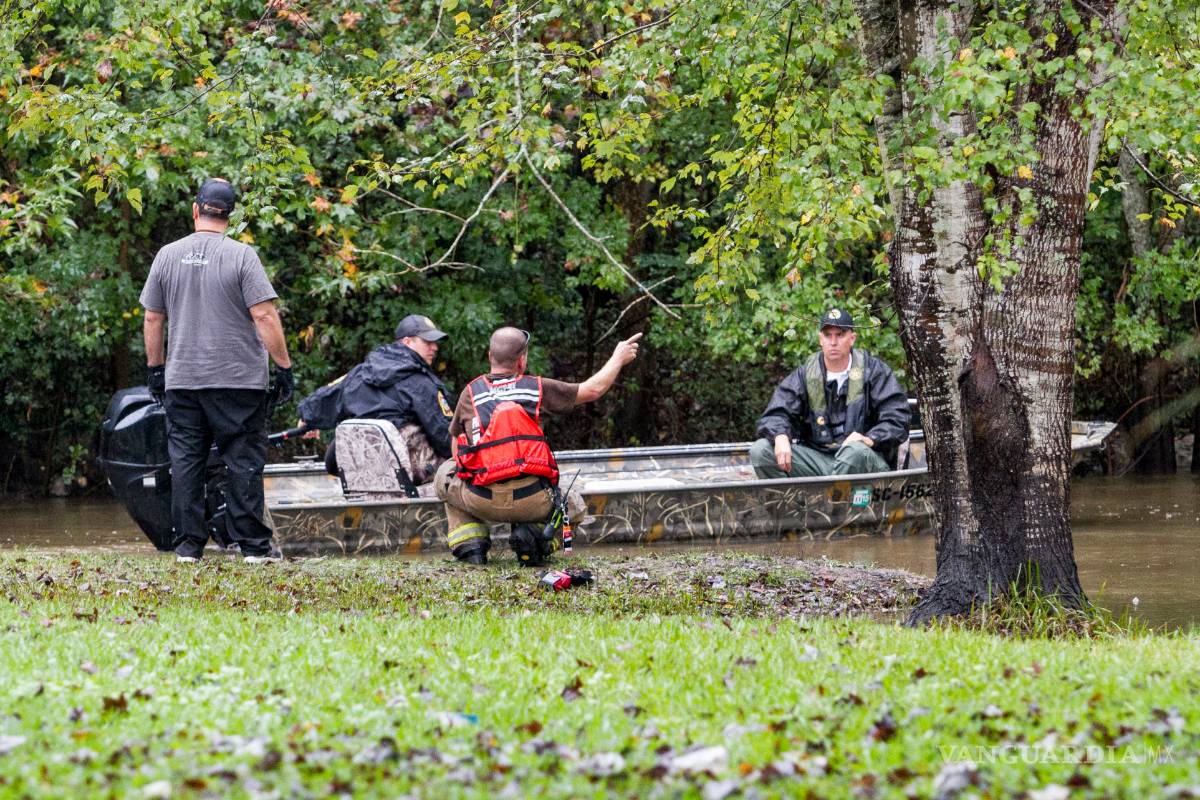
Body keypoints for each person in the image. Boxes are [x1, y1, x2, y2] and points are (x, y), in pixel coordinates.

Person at [140, 178, 294, 564]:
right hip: (238, 382)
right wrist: (284, 367)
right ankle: (254, 548)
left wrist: (155, 369)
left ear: (196, 210)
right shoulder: (242, 256)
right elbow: (264, 315)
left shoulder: (167, 256)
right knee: (242, 460)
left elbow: (152, 318)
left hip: (183, 380)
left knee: (186, 462)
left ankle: (188, 548)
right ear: (231, 215)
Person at [435, 327, 642, 565]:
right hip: (533, 500)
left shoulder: (470, 392)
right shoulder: (537, 388)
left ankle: (470, 546)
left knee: (445, 474)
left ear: (489, 356)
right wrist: (618, 357)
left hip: (481, 498)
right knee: (573, 503)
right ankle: (534, 538)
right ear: (522, 360)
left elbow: (456, 448)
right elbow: (593, 389)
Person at [750, 307, 909, 479]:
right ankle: (800, 505)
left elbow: (898, 419)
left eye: (840, 334)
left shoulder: (875, 372)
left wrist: (869, 439)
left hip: (864, 461)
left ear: (852, 338)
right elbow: (776, 414)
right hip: (818, 460)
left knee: (854, 452)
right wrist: (780, 436)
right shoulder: (805, 375)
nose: (833, 342)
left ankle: (838, 504)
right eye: (828, 335)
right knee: (761, 451)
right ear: (820, 339)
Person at [296, 314, 453, 486]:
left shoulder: (361, 373)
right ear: (407, 342)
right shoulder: (422, 384)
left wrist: (307, 418)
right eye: (427, 342)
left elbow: (328, 395)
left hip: (362, 476)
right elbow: (445, 436)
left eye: (435, 342)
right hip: (410, 476)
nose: (435, 347)